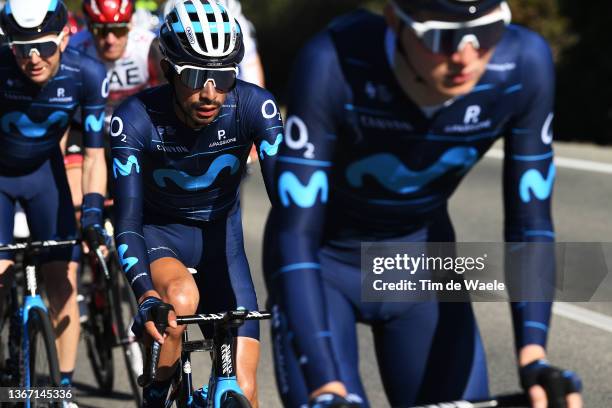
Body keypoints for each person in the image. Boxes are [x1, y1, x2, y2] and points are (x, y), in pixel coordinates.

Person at [263, 1, 583, 407]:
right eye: (442, 36)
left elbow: (530, 224)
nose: (465, 55)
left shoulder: (524, 65)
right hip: (323, 266)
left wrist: (534, 356)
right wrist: (326, 386)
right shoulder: (333, 61)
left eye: (485, 31)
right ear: (396, 20)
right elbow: (295, 234)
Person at [111, 1, 283, 406]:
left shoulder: (255, 106)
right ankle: (157, 390)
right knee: (180, 301)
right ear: (169, 70)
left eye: (223, 76)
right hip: (159, 235)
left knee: (246, 390)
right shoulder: (135, 117)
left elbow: (290, 208)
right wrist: (145, 297)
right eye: (194, 75)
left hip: (224, 243)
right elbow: (128, 220)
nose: (210, 92)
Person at [0, 0, 107, 397]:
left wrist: (92, 213)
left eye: (43, 47)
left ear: (64, 37)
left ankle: (60, 392)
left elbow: (95, 156)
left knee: (63, 281)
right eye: (20, 47)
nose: (32, 58)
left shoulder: (88, 74)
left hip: (46, 177)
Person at [65, 0, 165, 205]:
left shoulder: (148, 46)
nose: (110, 40)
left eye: (118, 30)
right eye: (100, 31)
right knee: (75, 201)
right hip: (86, 128)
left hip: (136, 130)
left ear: (130, 24)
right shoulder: (74, 48)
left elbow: (166, 102)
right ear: (89, 27)